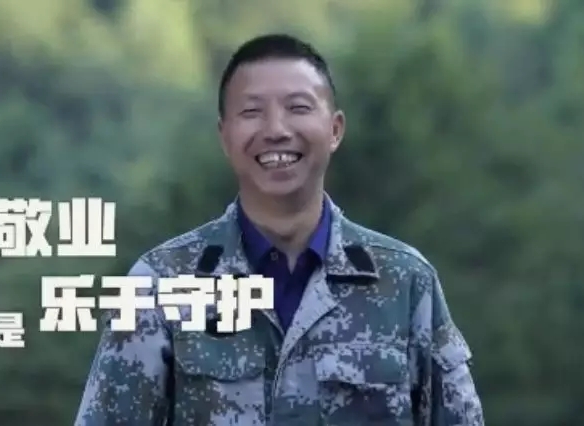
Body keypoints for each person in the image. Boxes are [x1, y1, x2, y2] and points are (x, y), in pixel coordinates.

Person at [74, 33, 484, 426]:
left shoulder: (405, 281)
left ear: (335, 130)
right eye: (252, 112)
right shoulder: (159, 285)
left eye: (298, 107)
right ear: (224, 136)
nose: (276, 130)